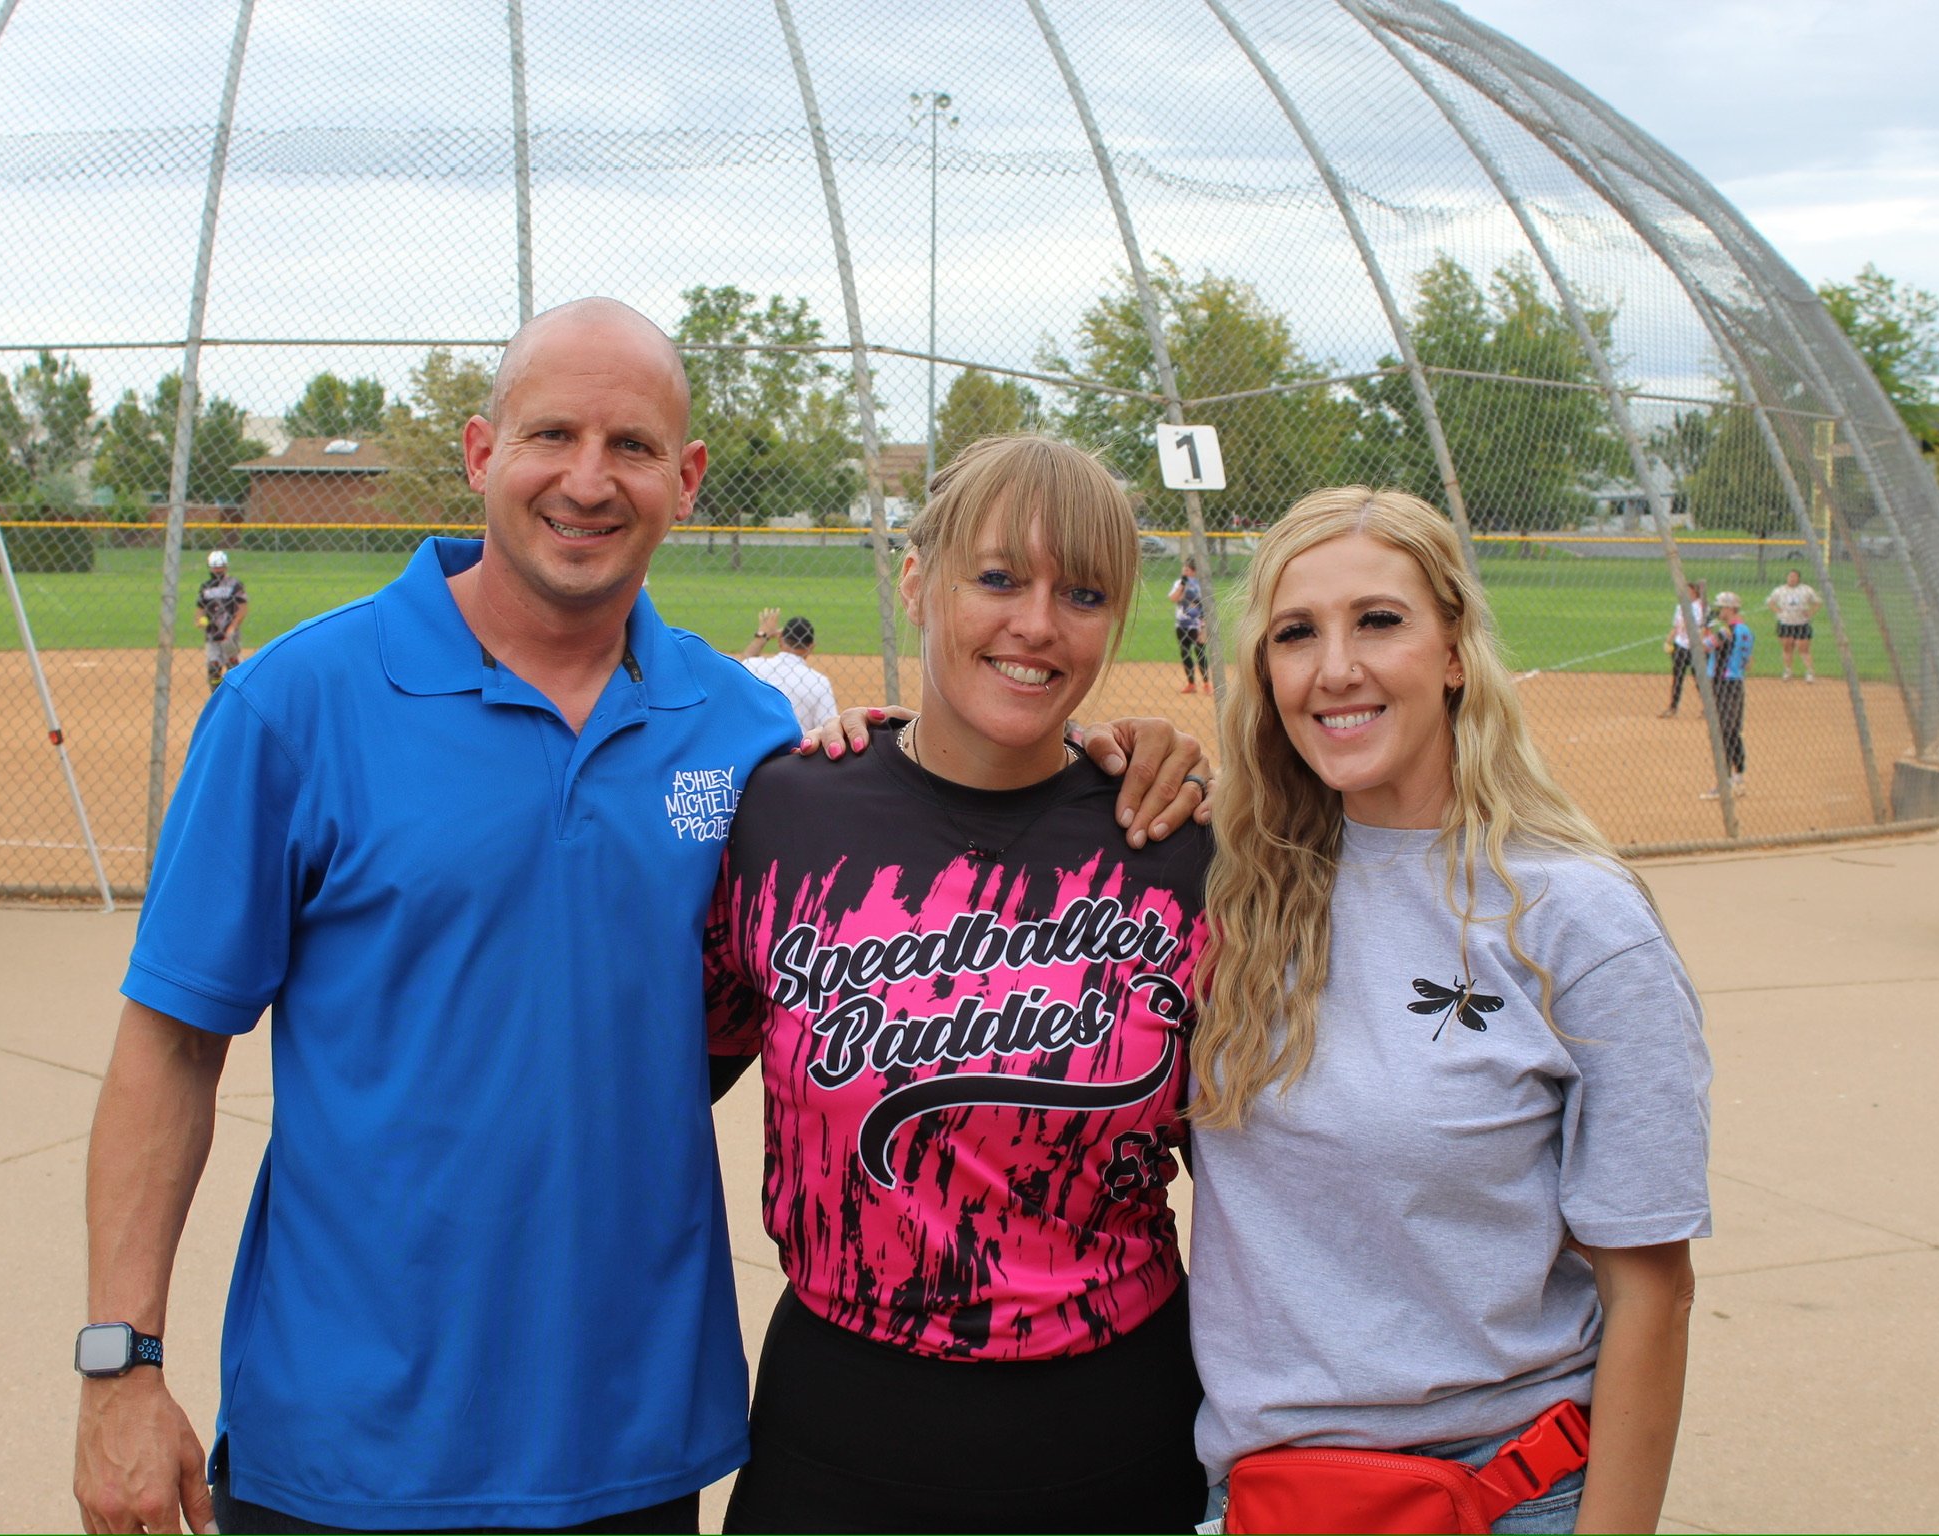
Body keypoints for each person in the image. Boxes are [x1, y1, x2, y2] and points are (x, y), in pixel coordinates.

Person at [73, 299, 1208, 1536]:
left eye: (631, 446)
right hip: (344, 1443)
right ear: (481, 453)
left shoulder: (753, 741)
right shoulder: (297, 704)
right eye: (551, 435)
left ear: (688, 476)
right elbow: (170, 1045)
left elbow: (805, 942)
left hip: (630, 1444)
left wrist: (1114, 755)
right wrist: (120, 1360)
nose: (587, 480)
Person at [706, 435, 1211, 1533]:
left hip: (1114, 1426)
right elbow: (668, 1075)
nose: (1038, 623)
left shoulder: (1175, 844)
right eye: (997, 578)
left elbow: (1261, 1176)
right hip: (839, 1430)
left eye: (1083, 594)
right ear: (916, 582)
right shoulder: (785, 815)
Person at [1186, 487, 1710, 1536]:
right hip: (1259, 1499)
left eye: (1379, 621)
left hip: (1500, 1495)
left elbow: (1652, 1295)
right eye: (1296, 633)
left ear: (1457, 651)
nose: (1336, 668)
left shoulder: (1576, 921)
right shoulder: (1235, 888)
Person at [736, 607, 839, 734]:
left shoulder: (752, 665)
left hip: (757, 743)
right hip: (796, 745)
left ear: (780, 640)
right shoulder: (819, 682)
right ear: (811, 647)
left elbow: (738, 668)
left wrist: (762, 635)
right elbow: (828, 728)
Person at [1698, 591, 1752, 799]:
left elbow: (1703, 647)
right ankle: (1738, 779)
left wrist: (1705, 628)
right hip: (1736, 682)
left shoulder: (1726, 631)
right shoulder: (1746, 630)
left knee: (1723, 733)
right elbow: (1749, 662)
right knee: (1733, 731)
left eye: (1721, 607)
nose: (1718, 611)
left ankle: (1724, 783)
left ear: (1730, 609)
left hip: (1722, 684)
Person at [194, 549, 247, 691]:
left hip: (229, 634)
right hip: (211, 633)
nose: (217, 570)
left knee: (233, 664)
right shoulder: (205, 587)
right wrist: (199, 619)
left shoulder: (235, 585)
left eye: (220, 567)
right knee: (213, 666)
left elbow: (242, 608)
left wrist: (233, 627)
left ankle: (236, 692)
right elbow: (200, 607)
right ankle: (215, 694)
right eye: (214, 567)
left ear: (226, 566)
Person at [1763, 568, 1821, 682]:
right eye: (1790, 576)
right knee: (1787, 647)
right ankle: (1788, 670)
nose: (1792, 579)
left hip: (1801, 623)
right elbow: (1770, 602)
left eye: (1794, 577)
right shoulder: (1780, 590)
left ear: (1798, 578)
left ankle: (1809, 672)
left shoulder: (1806, 590)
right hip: (1785, 623)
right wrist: (1778, 612)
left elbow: (1817, 602)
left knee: (1803, 648)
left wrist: (1810, 612)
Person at [1657, 581, 1705, 718]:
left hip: (1695, 648)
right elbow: (1677, 626)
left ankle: (1707, 708)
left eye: (1688, 591)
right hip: (1680, 645)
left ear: (1695, 592)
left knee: (1699, 678)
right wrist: (1668, 640)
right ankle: (1673, 708)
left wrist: (1701, 645)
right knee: (1677, 677)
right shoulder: (1680, 606)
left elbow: (1703, 628)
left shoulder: (1701, 607)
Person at [1170, 557, 1211, 694]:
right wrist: (1182, 585)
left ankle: (1206, 683)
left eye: (1187, 570)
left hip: (1197, 625)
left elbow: (1206, 606)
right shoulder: (1179, 583)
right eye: (1184, 569)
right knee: (1185, 652)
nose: (1184, 572)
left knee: (1200, 653)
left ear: (1194, 571)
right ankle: (1191, 683)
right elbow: (1173, 598)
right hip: (1181, 624)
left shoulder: (1201, 585)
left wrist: (1204, 627)